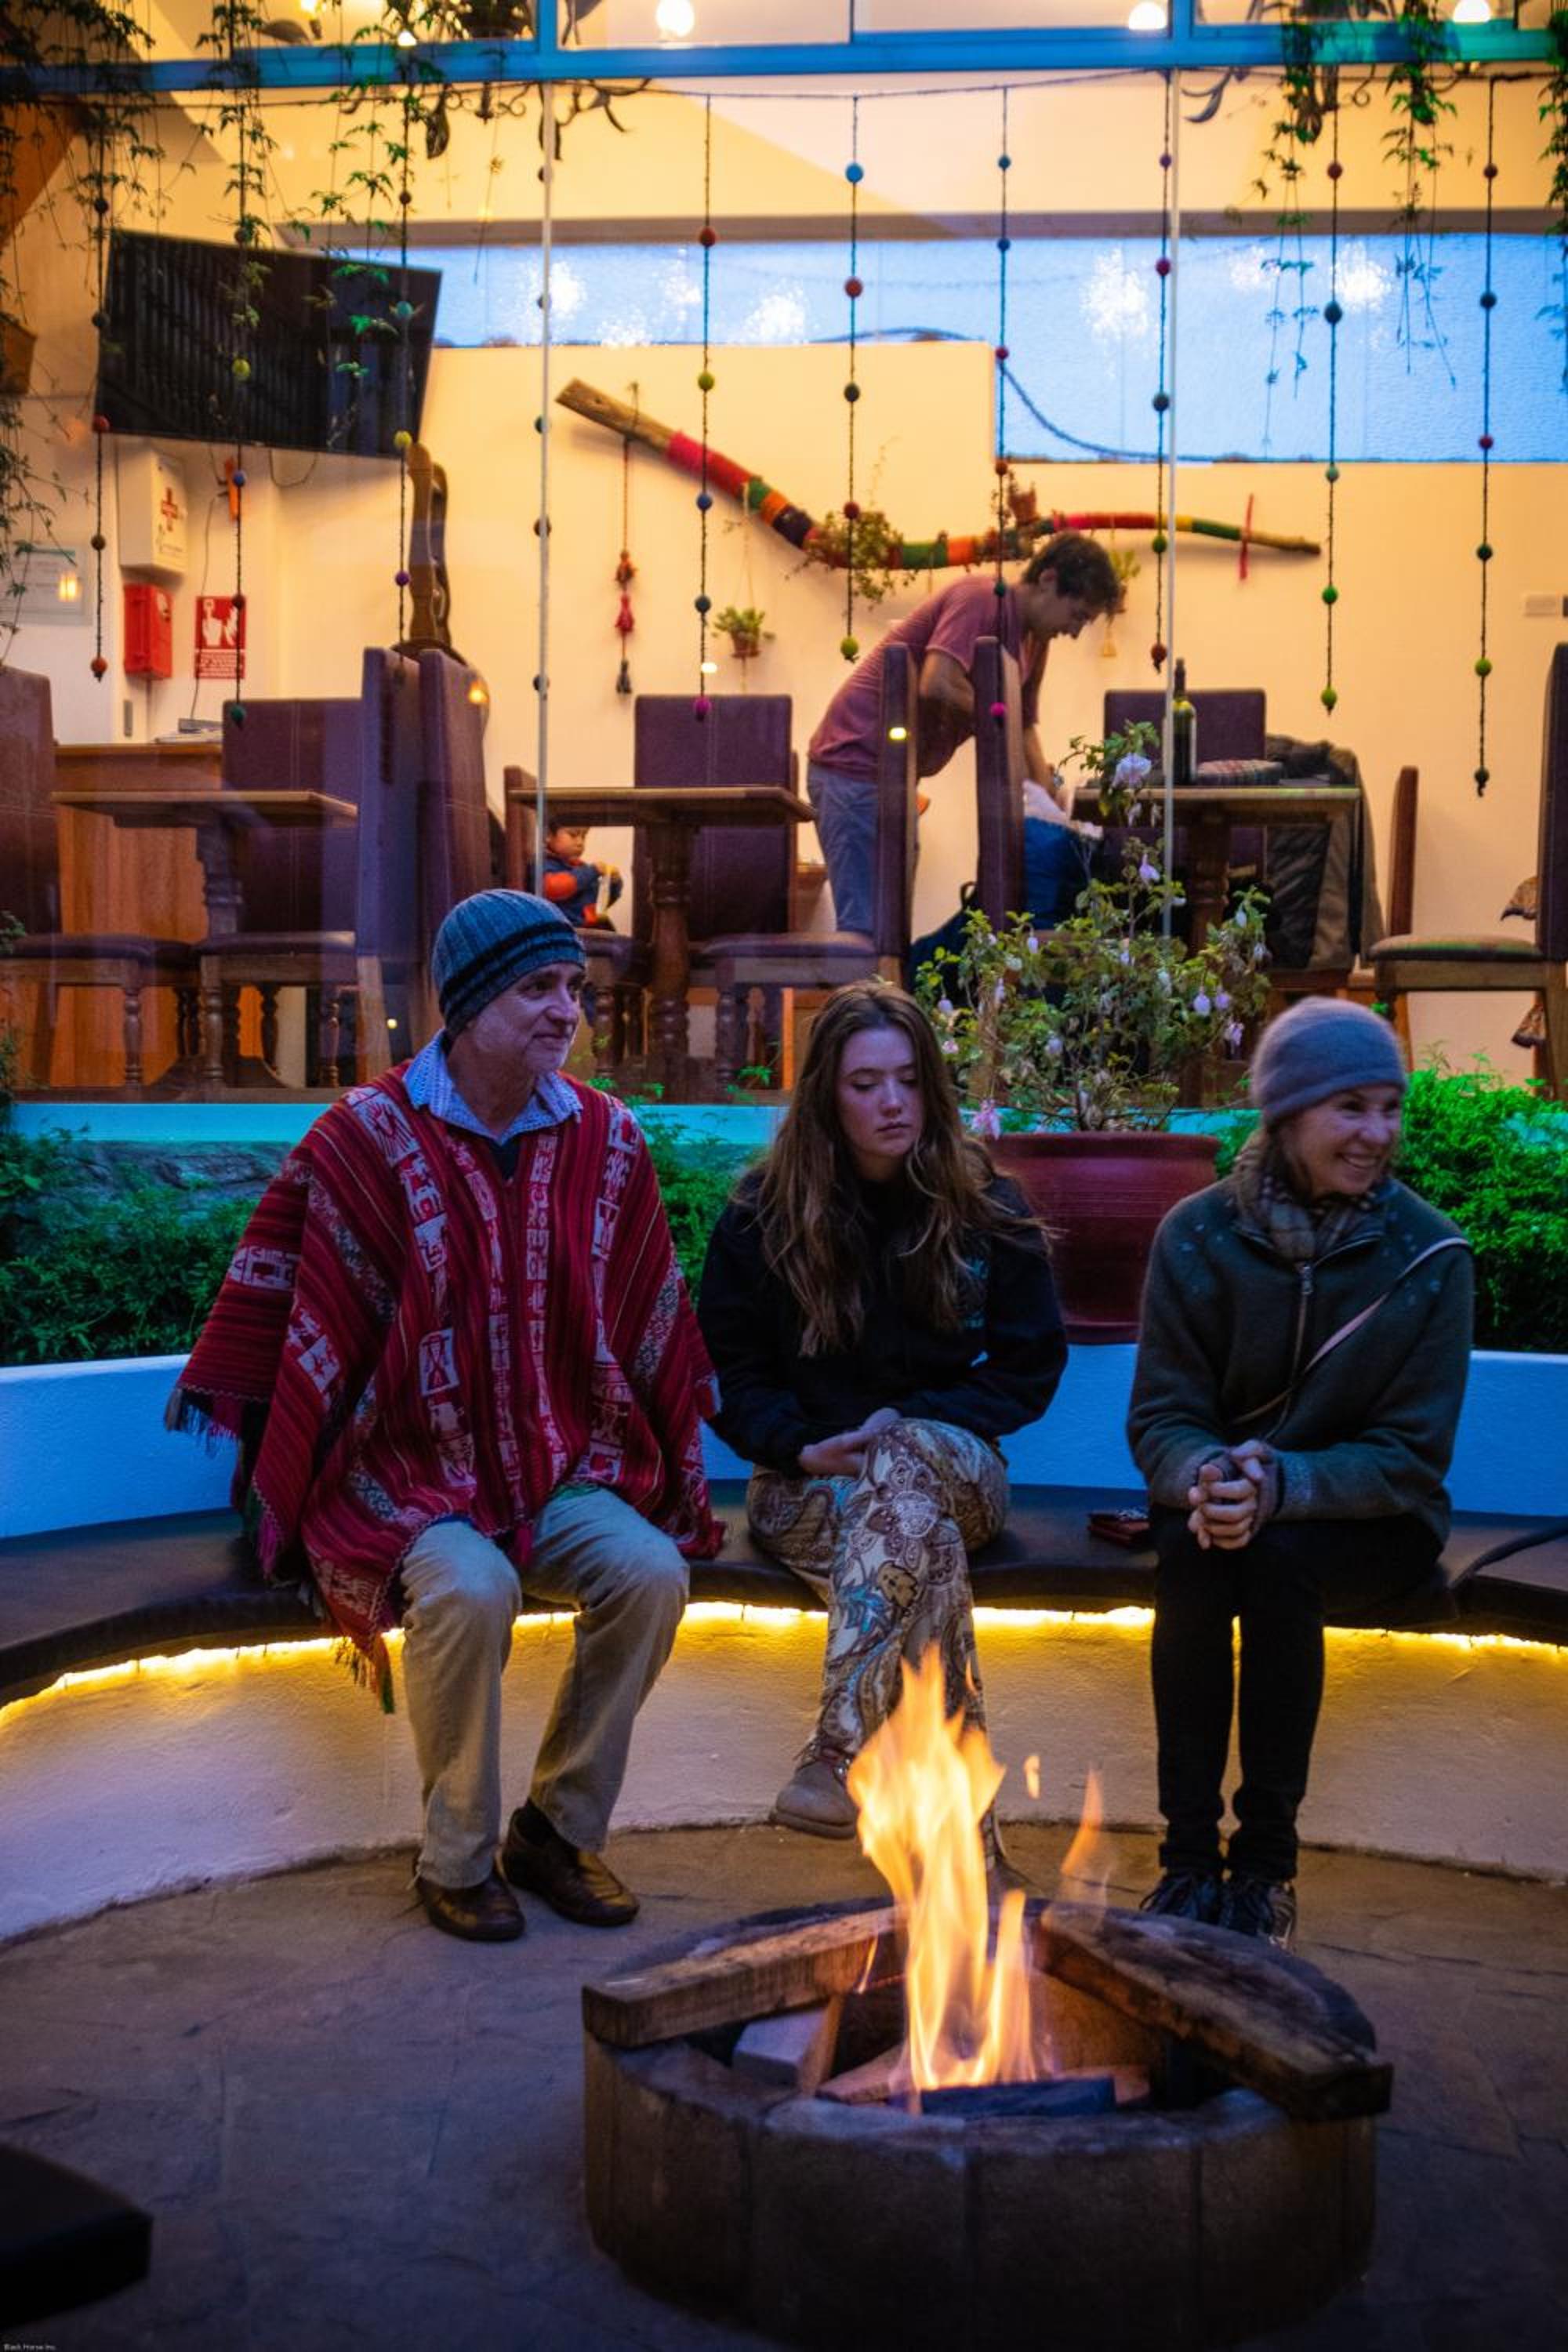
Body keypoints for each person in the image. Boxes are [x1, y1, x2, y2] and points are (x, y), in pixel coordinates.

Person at [169, 889, 721, 1944]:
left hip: (556, 1460)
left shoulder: (605, 1137)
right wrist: (281, 1458)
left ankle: (556, 1832)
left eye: (572, 987)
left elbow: (646, 1302)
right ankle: (458, 1859)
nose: (564, 1010)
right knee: (471, 1589)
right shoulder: (363, 1137)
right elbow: (282, 1297)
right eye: (536, 988)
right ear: (466, 1005)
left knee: (651, 1573)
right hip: (403, 1471)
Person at [1127, 1000, 1473, 1949]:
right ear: (1285, 1113)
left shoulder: (1430, 1254)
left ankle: (1262, 1872)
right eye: (1349, 1108)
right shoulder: (1194, 1236)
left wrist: (1281, 1486)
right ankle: (1186, 1864)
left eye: (1388, 1108)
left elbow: (1411, 1455)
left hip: (1373, 1517)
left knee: (1277, 1563)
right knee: (1193, 1551)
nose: (1376, 1134)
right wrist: (1206, 1478)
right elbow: (1161, 1417)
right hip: (1229, 1506)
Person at [697, 981, 1066, 1855]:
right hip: (806, 1482)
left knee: (903, 1463)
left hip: (958, 1465)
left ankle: (837, 1750)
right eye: (866, 1084)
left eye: (907, 1080)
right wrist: (802, 1444)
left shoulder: (986, 1207)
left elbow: (1028, 1369)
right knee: (922, 1544)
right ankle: (966, 1858)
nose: (892, 1101)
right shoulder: (761, 1217)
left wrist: (913, 1418)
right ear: (827, 1094)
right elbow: (729, 1376)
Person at [806, 531, 1121, 939]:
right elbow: (939, 680)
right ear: (1048, 580)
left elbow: (1023, 725)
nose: (1075, 631)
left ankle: (882, 984)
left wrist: (1049, 804)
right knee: (868, 929)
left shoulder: (1034, 641)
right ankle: (857, 986)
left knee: (891, 931)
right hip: (852, 763)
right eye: (1077, 615)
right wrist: (999, 718)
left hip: (897, 776)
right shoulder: (982, 598)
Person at [541, 816, 622, 931]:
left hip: (592, 928)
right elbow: (552, 887)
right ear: (548, 836)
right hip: (566, 929)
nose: (580, 843)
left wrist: (613, 884)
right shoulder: (544, 864)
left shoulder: (581, 868)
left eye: (583, 836)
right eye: (573, 835)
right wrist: (592, 871)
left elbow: (601, 905)